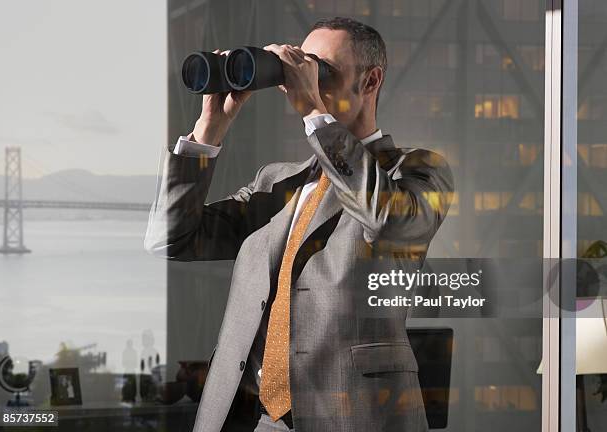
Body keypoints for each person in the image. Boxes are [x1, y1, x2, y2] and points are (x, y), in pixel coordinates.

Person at [145, 16, 453, 432]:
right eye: (300, 68)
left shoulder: (416, 170)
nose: (305, 80)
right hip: (251, 419)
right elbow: (171, 239)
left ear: (371, 80)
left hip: (352, 417)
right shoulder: (275, 182)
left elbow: (389, 220)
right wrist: (208, 132)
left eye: (322, 69)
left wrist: (315, 112)